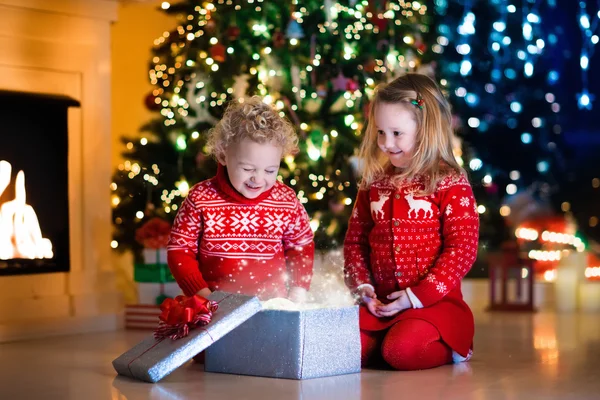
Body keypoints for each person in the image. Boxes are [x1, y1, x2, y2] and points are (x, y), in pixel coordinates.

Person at [344, 73, 479, 371]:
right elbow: (355, 240)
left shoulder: (449, 182)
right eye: (380, 132)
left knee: (402, 351)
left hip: (432, 304)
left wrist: (416, 296)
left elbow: (462, 249)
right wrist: (363, 288)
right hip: (380, 304)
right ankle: (387, 339)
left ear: (425, 130)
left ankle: (452, 347)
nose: (386, 143)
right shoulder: (374, 183)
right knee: (345, 347)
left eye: (396, 133)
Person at [167, 96, 314, 304]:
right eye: (248, 169)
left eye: (270, 170)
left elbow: (302, 246)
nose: (258, 179)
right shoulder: (200, 198)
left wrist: (298, 292)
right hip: (214, 309)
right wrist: (202, 295)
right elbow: (180, 250)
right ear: (223, 155)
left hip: (271, 309)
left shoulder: (286, 200)